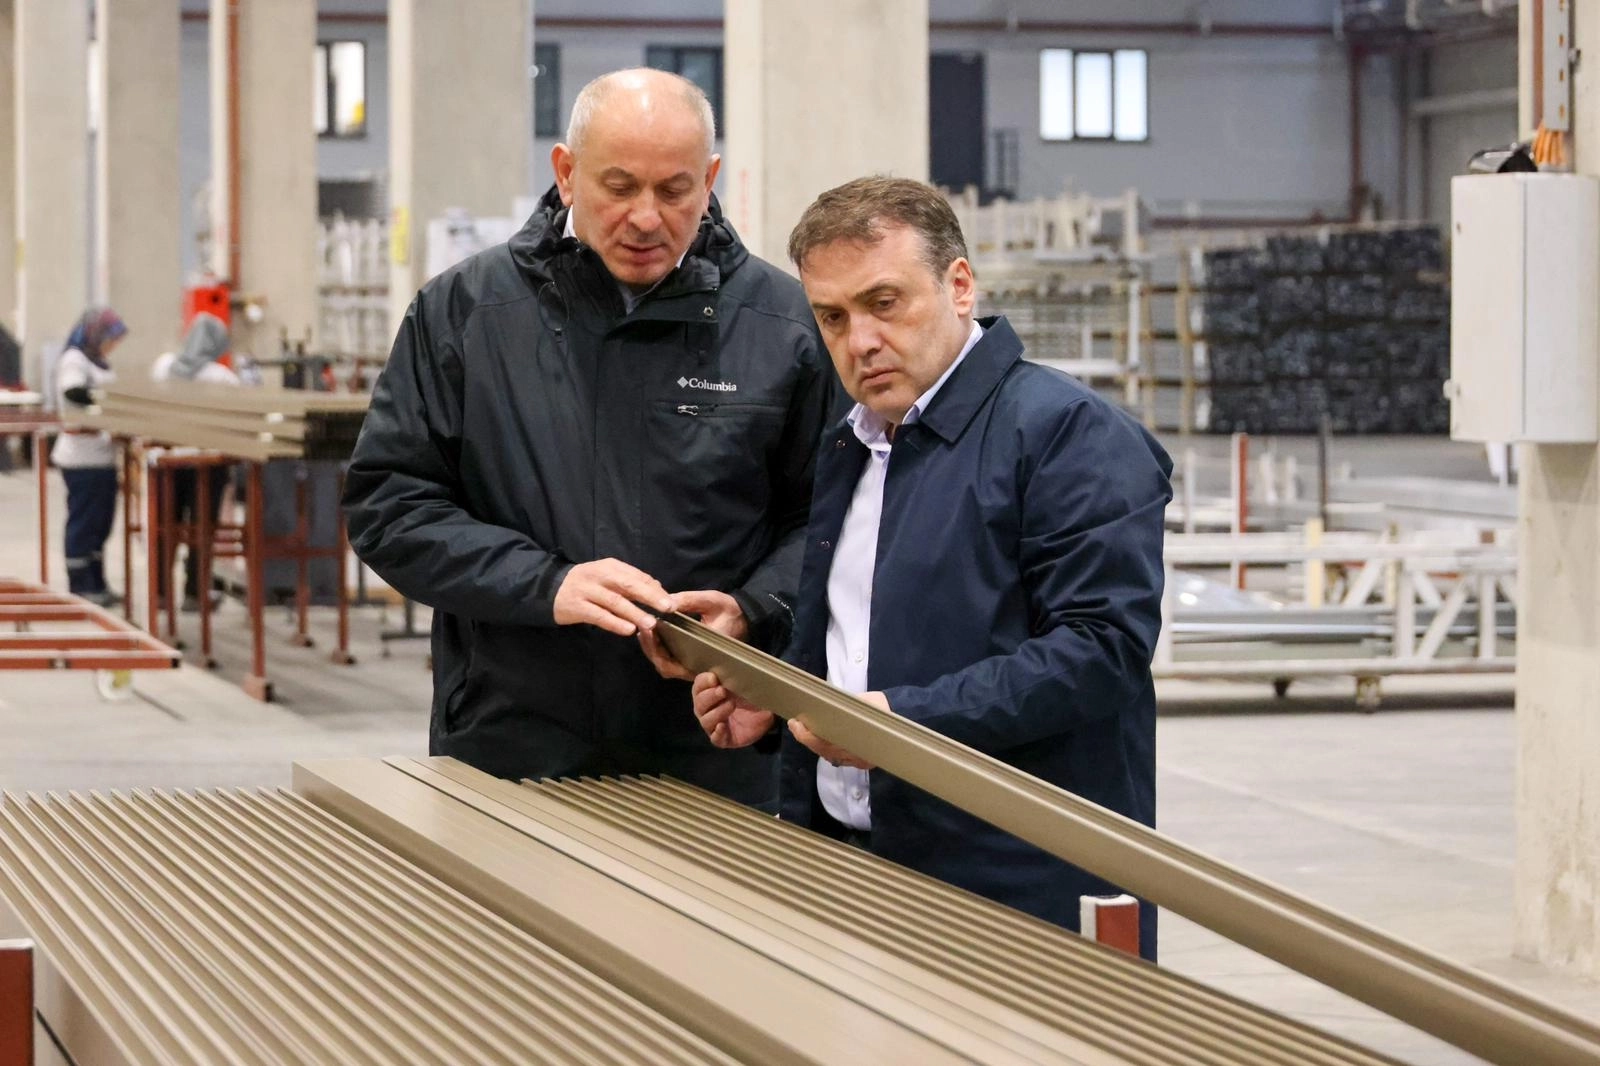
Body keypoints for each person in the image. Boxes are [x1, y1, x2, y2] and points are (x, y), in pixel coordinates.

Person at [682, 177, 1172, 955]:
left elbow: (1100, 652)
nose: (860, 341)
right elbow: (863, 642)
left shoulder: (1069, 435)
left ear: (960, 286)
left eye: (885, 303)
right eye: (833, 317)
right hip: (854, 869)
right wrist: (779, 709)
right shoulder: (854, 443)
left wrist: (901, 725)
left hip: (1016, 891)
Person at [343, 68, 838, 807]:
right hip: (512, 739)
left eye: (674, 190)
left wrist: (755, 609)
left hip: (715, 748)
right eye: (620, 186)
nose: (646, 217)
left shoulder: (783, 327)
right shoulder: (466, 315)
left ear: (710, 180)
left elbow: (831, 518)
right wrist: (547, 584)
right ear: (566, 173)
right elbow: (390, 506)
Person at [150, 312, 239, 610]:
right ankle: (195, 592)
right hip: (208, 465)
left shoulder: (164, 367)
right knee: (202, 529)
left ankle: (159, 594)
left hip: (167, 462)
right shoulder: (222, 377)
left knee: (164, 527)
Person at [52, 307, 128, 606]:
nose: (112, 345)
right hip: (82, 458)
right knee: (84, 523)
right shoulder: (75, 359)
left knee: (100, 525)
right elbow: (73, 392)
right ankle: (81, 586)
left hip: (102, 457)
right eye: (110, 339)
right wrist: (109, 404)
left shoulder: (98, 362)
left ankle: (97, 582)